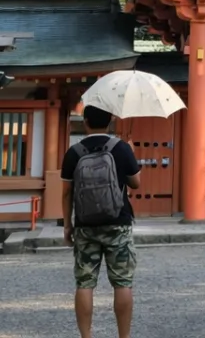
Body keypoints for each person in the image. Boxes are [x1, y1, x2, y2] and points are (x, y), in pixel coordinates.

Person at [62, 104, 143, 338]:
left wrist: (67, 225)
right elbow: (136, 183)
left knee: (84, 283)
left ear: (85, 121)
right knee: (122, 282)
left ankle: (86, 336)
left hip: (85, 225)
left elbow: (66, 193)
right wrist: (131, 155)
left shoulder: (74, 152)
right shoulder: (121, 148)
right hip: (118, 222)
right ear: (110, 121)